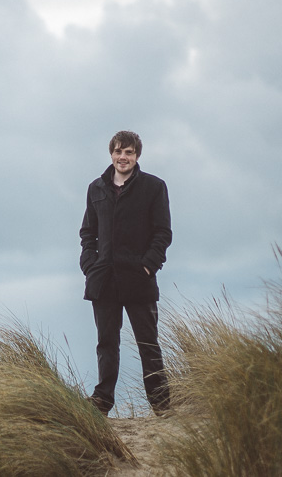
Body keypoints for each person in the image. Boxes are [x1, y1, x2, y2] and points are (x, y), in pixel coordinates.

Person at [79, 130, 172, 416]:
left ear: (137, 156)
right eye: (119, 151)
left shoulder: (154, 187)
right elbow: (88, 233)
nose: (123, 157)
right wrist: (89, 264)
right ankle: (102, 401)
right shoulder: (96, 188)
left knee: (148, 343)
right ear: (111, 154)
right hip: (103, 280)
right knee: (106, 343)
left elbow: (162, 233)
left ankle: (161, 405)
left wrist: (147, 266)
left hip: (138, 280)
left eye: (129, 152)